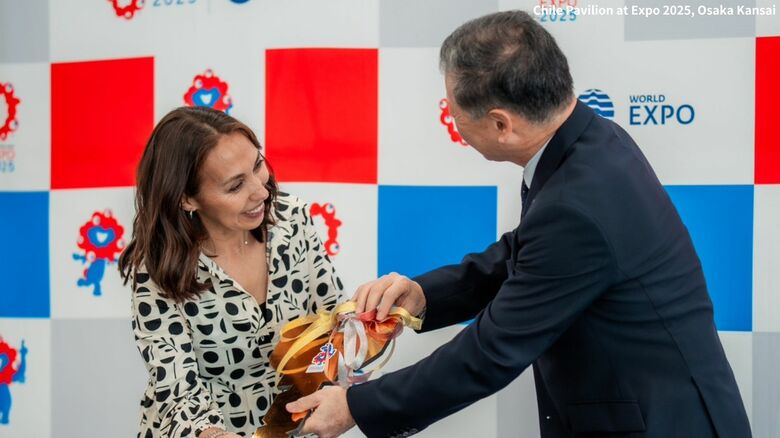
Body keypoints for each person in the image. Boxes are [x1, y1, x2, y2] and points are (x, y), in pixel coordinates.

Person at [286, 10, 752, 438]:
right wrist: (423, 296)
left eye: (453, 110)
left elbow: (490, 353)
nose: (450, 121)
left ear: (500, 124)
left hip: (663, 424)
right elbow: (524, 253)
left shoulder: (580, 201)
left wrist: (356, 406)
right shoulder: (591, 142)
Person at [118, 106, 345, 438]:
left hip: (291, 426)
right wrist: (211, 434)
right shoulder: (157, 268)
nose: (262, 191)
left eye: (257, 165)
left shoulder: (292, 219)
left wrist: (363, 334)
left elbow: (331, 321)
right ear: (187, 200)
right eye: (235, 186)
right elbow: (177, 391)